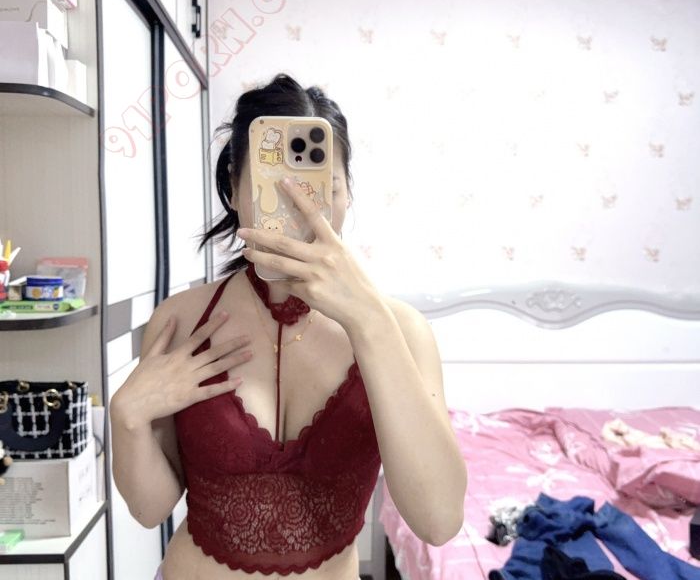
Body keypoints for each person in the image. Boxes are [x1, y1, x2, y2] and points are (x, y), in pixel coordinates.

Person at [109, 74, 467, 580]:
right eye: (272, 187)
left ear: (346, 193)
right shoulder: (182, 320)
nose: (297, 206)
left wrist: (369, 323)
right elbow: (150, 509)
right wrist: (126, 418)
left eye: (322, 188)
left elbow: (439, 521)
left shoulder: (399, 332)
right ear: (234, 189)